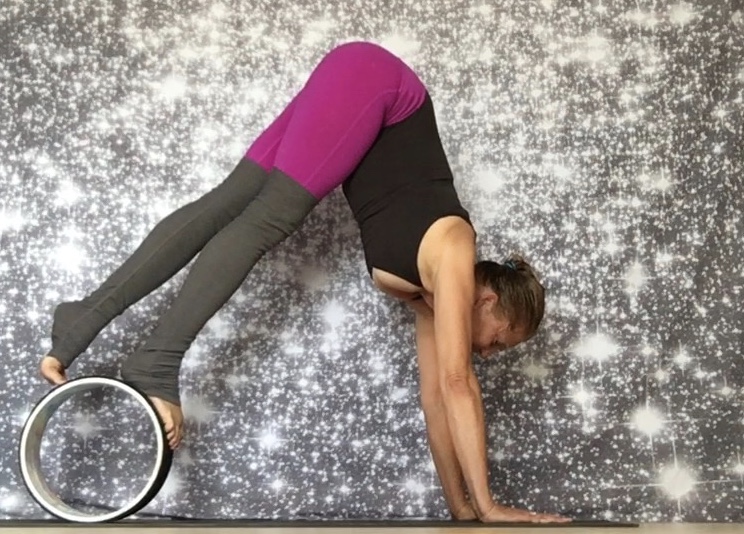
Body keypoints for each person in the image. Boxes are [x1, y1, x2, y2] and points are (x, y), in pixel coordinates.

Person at [39, 42, 569, 524]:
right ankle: (156, 360)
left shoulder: (424, 296)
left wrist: (464, 509)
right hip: (376, 83)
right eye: (500, 340)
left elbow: (435, 399)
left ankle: (81, 319)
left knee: (225, 204)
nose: (490, 353)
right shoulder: (455, 248)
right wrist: (493, 507)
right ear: (488, 298)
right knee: (268, 217)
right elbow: (457, 383)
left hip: (358, 91)